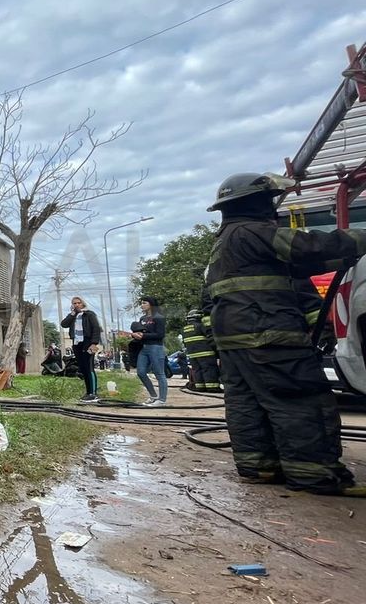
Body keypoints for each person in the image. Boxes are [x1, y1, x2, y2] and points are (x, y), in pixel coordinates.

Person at [205, 172, 365, 496]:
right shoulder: (254, 230)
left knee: (247, 403)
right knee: (299, 399)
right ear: (256, 203)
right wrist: (360, 239)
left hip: (235, 337)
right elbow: (304, 247)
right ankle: (316, 474)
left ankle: (259, 466)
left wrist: (341, 258)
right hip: (266, 331)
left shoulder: (226, 241)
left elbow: (294, 266)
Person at [61, 296, 102, 403]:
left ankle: (93, 393)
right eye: (74, 303)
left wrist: (94, 343)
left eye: (79, 303)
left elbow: (96, 329)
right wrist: (72, 314)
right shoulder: (73, 316)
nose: (77, 305)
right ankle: (88, 392)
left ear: (82, 304)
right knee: (83, 369)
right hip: (76, 343)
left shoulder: (89, 314)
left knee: (89, 368)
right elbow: (64, 324)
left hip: (87, 343)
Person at [133, 297, 169, 406]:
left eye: (144, 303)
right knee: (141, 372)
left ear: (151, 304)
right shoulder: (142, 318)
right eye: (141, 303)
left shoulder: (158, 317)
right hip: (144, 348)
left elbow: (160, 334)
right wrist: (135, 335)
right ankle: (153, 396)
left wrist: (144, 335)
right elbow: (139, 331)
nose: (142, 305)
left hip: (156, 347)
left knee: (159, 373)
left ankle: (162, 400)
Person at [183, 308, 220, 392]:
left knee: (197, 370)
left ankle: (200, 387)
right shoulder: (200, 325)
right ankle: (212, 387)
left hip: (192, 354)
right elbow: (209, 335)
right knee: (209, 369)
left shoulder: (185, 329)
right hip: (206, 353)